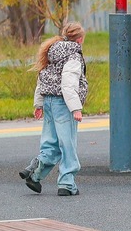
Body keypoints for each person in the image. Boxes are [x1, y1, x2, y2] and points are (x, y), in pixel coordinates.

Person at [19, 22, 88, 197]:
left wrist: (39, 103)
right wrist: (75, 108)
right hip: (63, 104)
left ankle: (35, 172)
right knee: (67, 144)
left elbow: (42, 79)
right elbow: (68, 84)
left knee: (51, 143)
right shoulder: (73, 55)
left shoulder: (52, 50)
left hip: (49, 101)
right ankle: (67, 183)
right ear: (80, 40)